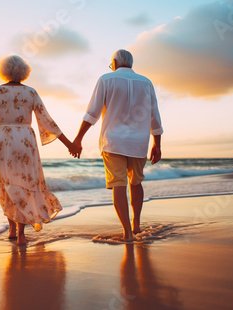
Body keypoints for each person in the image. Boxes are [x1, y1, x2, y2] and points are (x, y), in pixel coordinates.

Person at [0, 55, 80, 245]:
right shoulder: (31, 93)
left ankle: (12, 230)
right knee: (24, 185)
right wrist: (69, 143)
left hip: (3, 140)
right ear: (24, 72)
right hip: (25, 141)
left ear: (3, 70)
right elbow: (47, 121)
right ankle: (21, 233)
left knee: (6, 185)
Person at [70, 49, 164, 243]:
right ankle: (136, 224)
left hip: (113, 142)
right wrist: (157, 144)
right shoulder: (146, 82)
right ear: (131, 63)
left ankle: (127, 232)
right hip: (139, 142)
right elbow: (155, 114)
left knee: (118, 185)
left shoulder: (106, 79)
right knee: (136, 183)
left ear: (114, 62)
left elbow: (92, 114)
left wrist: (78, 138)